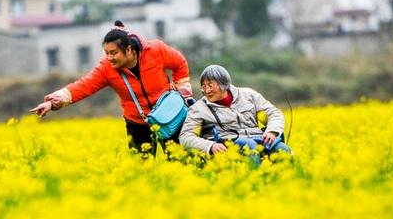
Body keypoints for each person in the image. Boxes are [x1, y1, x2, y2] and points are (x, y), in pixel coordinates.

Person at [30, 21, 194, 155]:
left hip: (169, 117)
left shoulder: (155, 50)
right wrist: (53, 102)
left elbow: (179, 63)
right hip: (138, 122)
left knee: (181, 161)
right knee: (141, 170)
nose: (109, 58)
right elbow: (83, 85)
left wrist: (183, 94)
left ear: (129, 49)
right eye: (106, 53)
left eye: (114, 53)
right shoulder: (106, 68)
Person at [179, 65, 290, 164]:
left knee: (283, 149)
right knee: (250, 146)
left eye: (210, 86)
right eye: (203, 87)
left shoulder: (249, 95)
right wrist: (210, 146)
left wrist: (271, 131)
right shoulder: (198, 109)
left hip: (259, 139)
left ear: (224, 85)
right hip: (228, 144)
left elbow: (273, 113)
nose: (206, 91)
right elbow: (186, 137)